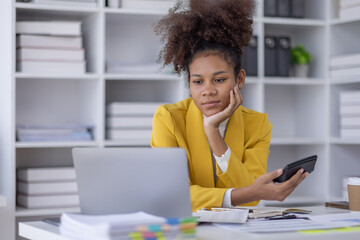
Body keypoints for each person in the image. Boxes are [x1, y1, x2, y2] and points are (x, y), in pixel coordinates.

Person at [151, 0, 308, 211]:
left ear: (239, 79)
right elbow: (173, 193)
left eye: (219, 80)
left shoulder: (257, 124)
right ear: (189, 84)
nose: (208, 90)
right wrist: (248, 193)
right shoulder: (168, 118)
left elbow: (251, 198)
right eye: (198, 82)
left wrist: (213, 132)